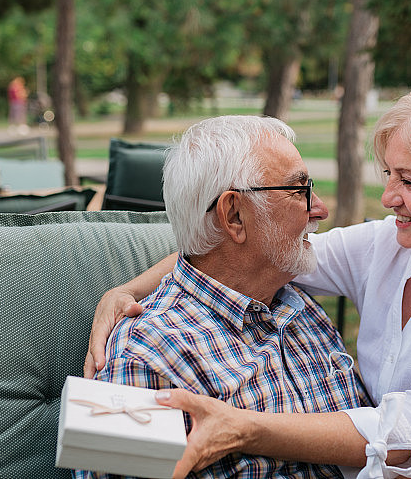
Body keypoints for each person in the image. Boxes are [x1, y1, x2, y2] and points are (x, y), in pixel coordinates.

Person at [86, 77, 411, 478]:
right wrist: (126, 290)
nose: (388, 197)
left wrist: (241, 427)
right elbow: (240, 253)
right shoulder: (145, 352)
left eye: (410, 180)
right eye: (390, 174)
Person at [76, 115, 374, 479]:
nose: (321, 209)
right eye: (300, 191)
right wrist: (123, 291)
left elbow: (402, 435)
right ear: (234, 215)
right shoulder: (146, 358)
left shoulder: (296, 300)